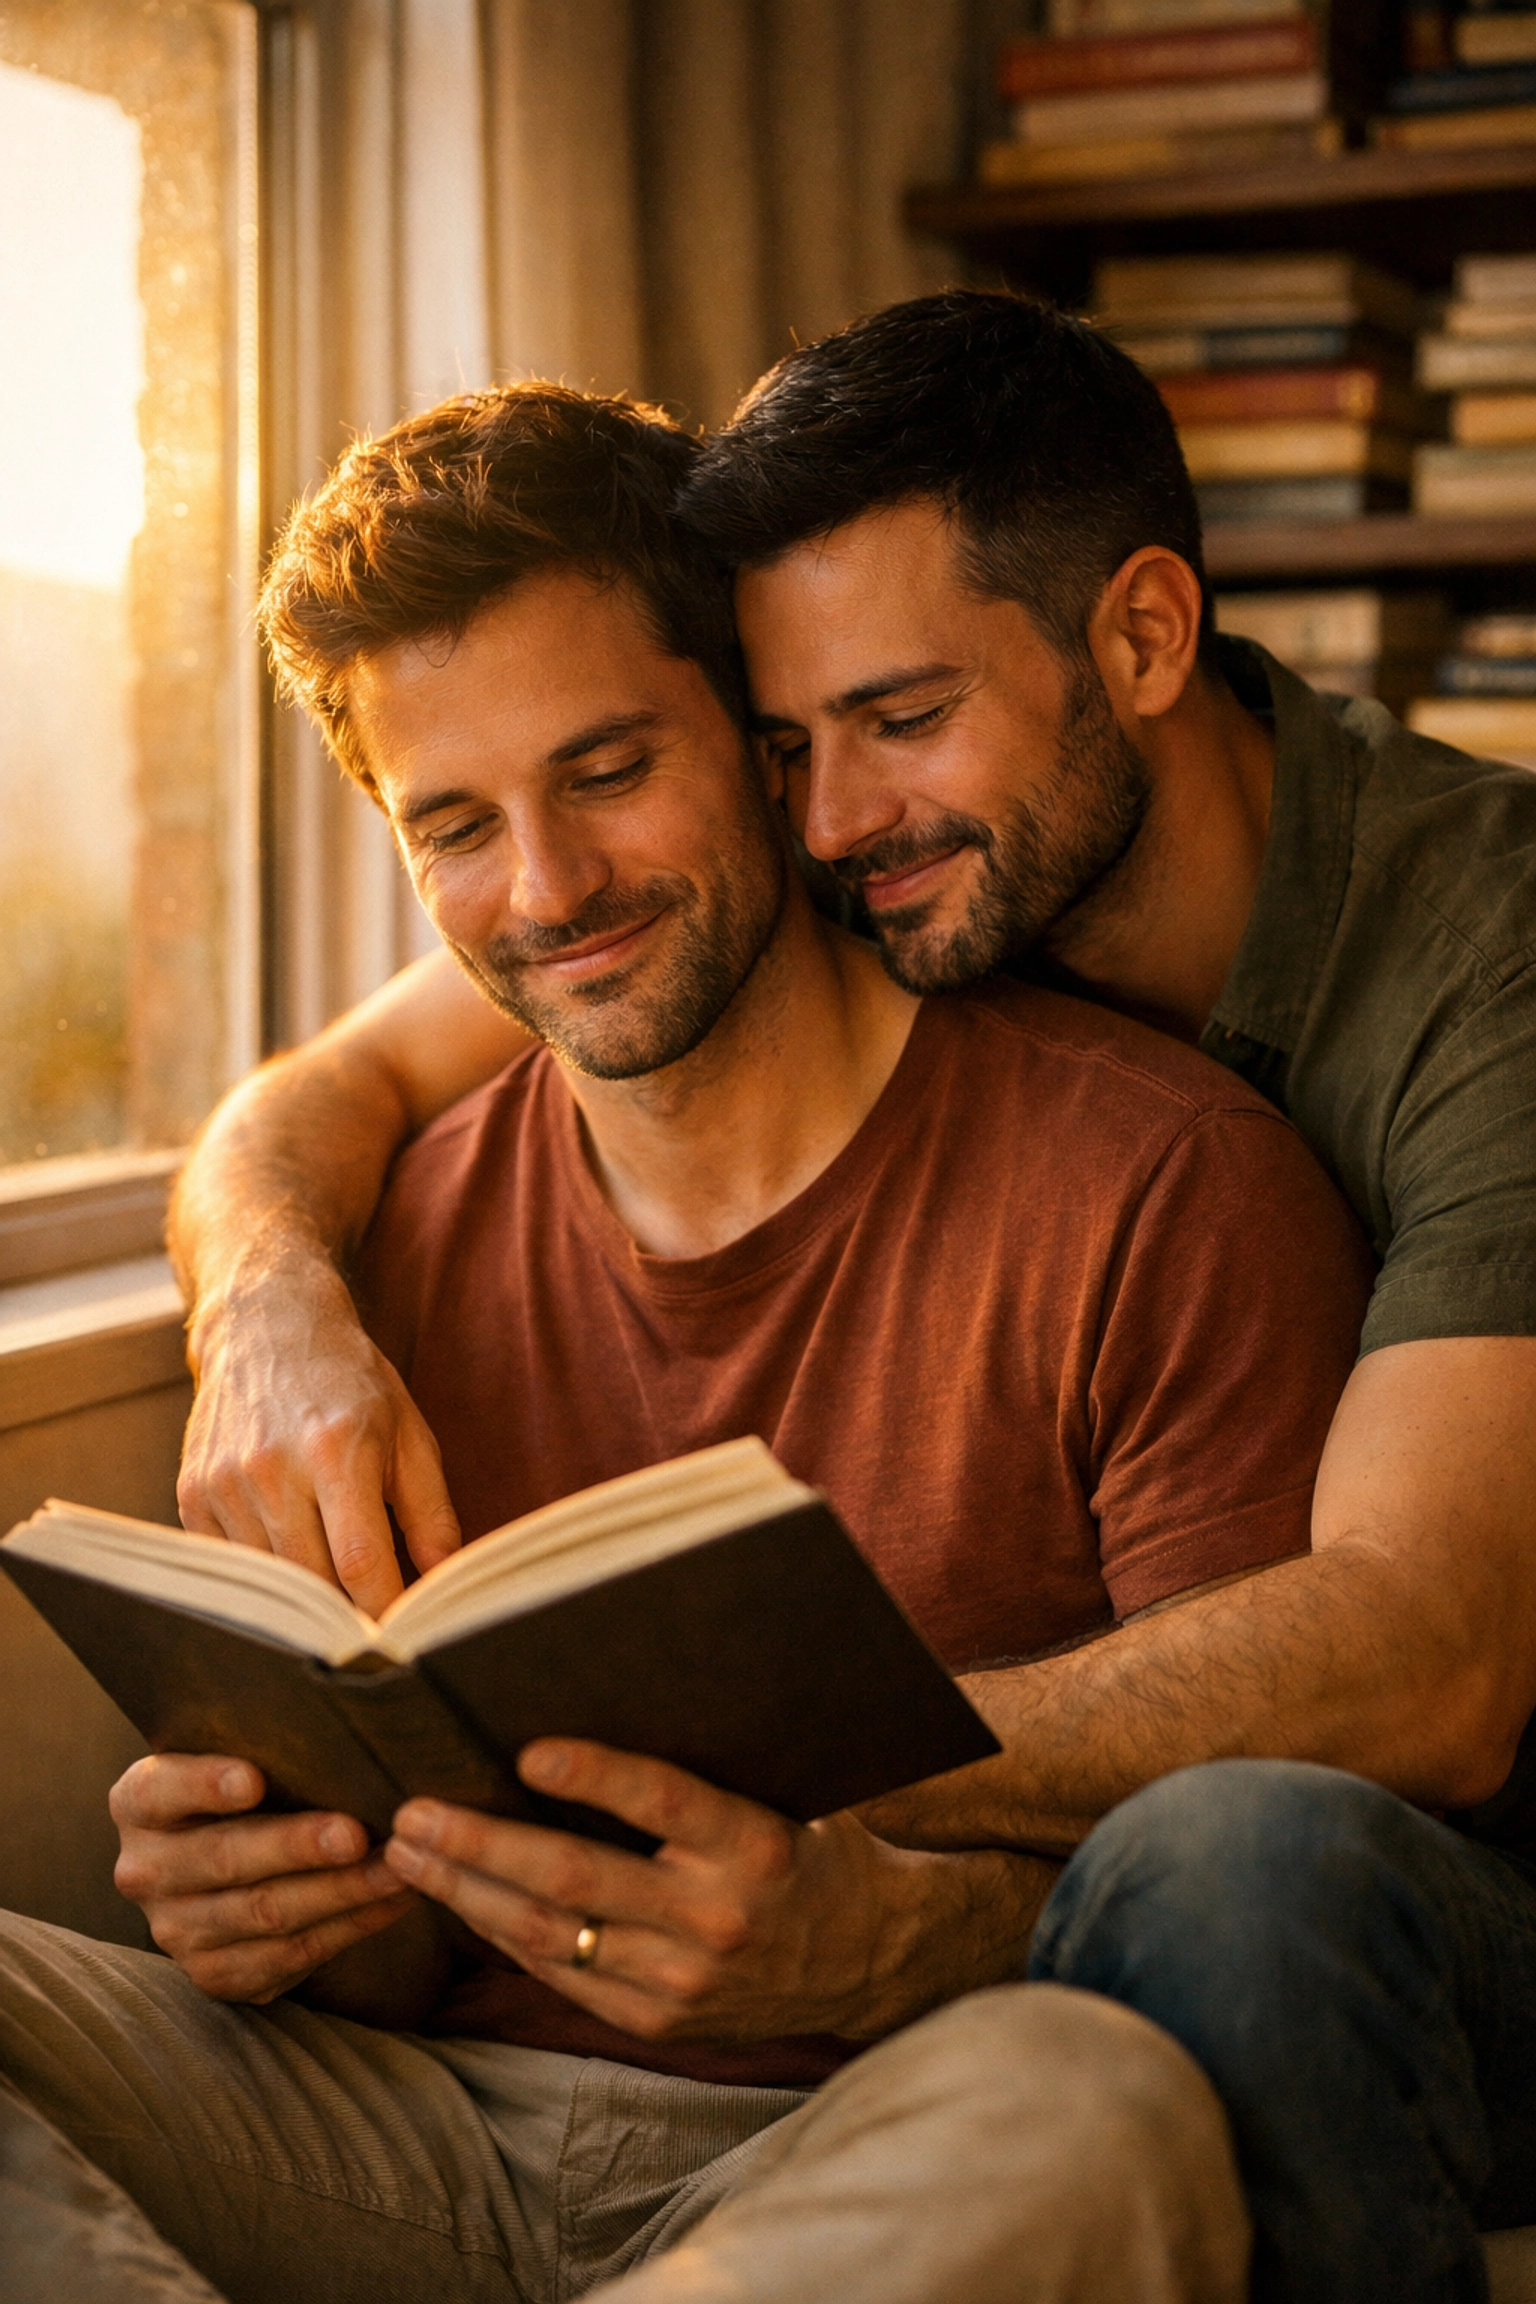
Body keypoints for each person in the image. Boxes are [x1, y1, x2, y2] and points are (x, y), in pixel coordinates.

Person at [0, 383, 1383, 2304]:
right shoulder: (380, 1243)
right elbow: (415, 1928)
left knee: (1100, 2102)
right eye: (456, 825)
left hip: (878, 2136)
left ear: (756, 733)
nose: (548, 890)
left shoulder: (1163, 1186)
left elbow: (1237, 1900)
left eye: (607, 769)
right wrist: (278, 1903)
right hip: (401, 2131)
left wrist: (893, 1944)